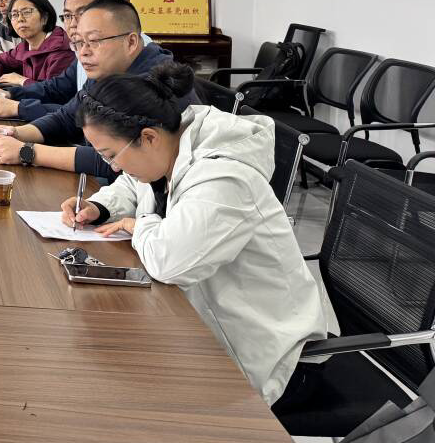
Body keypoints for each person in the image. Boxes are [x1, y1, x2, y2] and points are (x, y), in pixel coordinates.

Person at [59, 62, 327, 405]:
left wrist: (139, 225)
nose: (113, 167)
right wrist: (101, 206)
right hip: (202, 319)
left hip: (267, 352)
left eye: (111, 155)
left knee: (119, 395)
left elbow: (170, 262)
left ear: (148, 137)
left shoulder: (225, 177)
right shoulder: (171, 144)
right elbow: (134, 182)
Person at [0, 0, 196, 179]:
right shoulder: (106, 70)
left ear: (131, 42)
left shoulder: (150, 84)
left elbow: (114, 161)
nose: (83, 52)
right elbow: (67, 116)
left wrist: (27, 152)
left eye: (93, 41)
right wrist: (15, 133)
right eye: (79, 43)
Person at [0, 0, 121, 122]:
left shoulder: (64, 50)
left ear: (45, 17)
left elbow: (76, 110)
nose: (73, 23)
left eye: (26, 12)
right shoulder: (77, 53)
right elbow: (55, 89)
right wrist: (8, 91)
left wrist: (19, 103)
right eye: (68, 16)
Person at [0, 0, 73, 86]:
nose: (20, 19)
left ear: (44, 17)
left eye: (27, 12)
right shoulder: (25, 46)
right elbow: (3, 61)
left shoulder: (62, 51)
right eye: (14, 15)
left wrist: (22, 81)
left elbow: (54, 93)